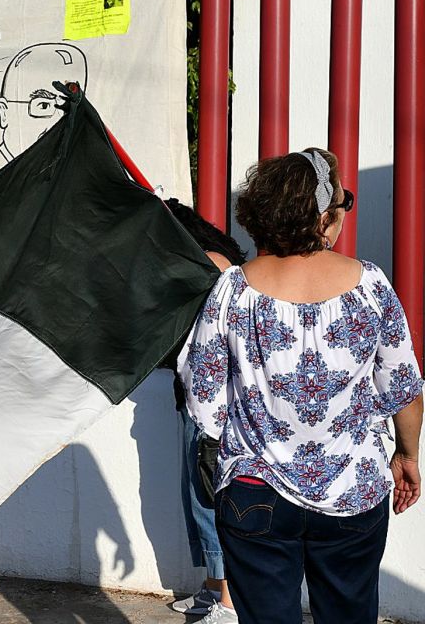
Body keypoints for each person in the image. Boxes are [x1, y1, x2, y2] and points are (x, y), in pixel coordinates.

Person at [178, 149, 423, 624]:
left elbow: (204, 407)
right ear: (325, 220)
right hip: (353, 492)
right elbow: (404, 390)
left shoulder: (232, 291)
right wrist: (407, 455)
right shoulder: (371, 286)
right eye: (342, 206)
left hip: (255, 493)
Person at [165, 198, 245, 623]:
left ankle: (228, 605)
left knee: (212, 497)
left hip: (216, 403)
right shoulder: (205, 261)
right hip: (197, 397)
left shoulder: (212, 263)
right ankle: (215, 590)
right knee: (197, 496)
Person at [0, 42, 88, 186]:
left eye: (69, 107)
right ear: (4, 112)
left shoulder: (76, 164)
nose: (58, 119)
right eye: (44, 105)